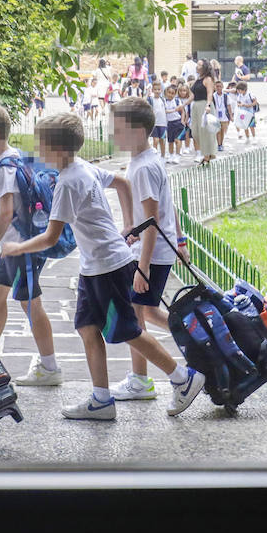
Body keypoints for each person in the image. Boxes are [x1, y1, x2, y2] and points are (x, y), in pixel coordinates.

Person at [1, 113, 204, 421]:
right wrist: (126, 222)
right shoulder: (81, 166)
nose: (37, 151)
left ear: (56, 149)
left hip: (107, 266)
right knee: (86, 327)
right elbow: (121, 183)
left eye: (40, 145)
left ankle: (183, 378)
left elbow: (51, 236)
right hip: (94, 267)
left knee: (128, 330)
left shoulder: (68, 182)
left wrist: (17, 247)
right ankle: (101, 399)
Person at [0, 101, 63, 387]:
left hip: (22, 247)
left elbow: (6, 213)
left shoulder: (5, 168)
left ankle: (50, 366)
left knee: (30, 304)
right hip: (15, 247)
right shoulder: (16, 157)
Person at [110, 98, 192, 402]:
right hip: (157, 249)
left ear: (139, 130)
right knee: (144, 311)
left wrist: (142, 268)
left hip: (151, 254)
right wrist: (180, 241)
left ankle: (142, 380)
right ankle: (186, 333)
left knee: (135, 317)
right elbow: (167, 208)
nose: (114, 134)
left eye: (119, 129)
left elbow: (152, 220)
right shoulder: (148, 160)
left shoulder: (143, 167)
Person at [192, 60, 217, 166]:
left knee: (206, 132)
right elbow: (192, 95)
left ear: (204, 67)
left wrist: (208, 105)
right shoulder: (198, 79)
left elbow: (210, 93)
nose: (197, 66)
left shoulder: (208, 79)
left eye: (199, 65)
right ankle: (206, 154)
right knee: (195, 132)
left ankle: (207, 156)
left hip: (204, 106)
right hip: (196, 106)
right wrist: (183, 105)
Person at [162, 82, 184, 164]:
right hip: (169, 123)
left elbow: (182, 111)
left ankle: (177, 155)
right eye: (169, 92)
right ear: (166, 92)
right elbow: (164, 111)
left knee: (177, 140)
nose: (170, 95)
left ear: (175, 94)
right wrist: (173, 110)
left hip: (177, 122)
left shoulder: (178, 101)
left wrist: (182, 121)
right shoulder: (164, 101)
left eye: (172, 93)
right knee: (170, 141)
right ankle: (171, 155)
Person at [148, 79, 168, 159]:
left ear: (161, 90)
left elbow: (165, 110)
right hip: (154, 123)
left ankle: (163, 156)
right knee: (155, 141)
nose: (157, 91)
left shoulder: (163, 99)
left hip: (162, 123)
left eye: (159, 89)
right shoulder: (150, 99)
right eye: (155, 89)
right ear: (152, 90)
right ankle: (155, 157)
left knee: (162, 141)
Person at [213, 79, 230, 152]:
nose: (218, 88)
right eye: (217, 86)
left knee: (222, 130)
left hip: (224, 115)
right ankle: (219, 144)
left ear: (222, 87)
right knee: (218, 130)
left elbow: (229, 106)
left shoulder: (226, 96)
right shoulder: (213, 96)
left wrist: (231, 116)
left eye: (220, 86)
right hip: (216, 115)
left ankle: (221, 143)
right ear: (215, 87)